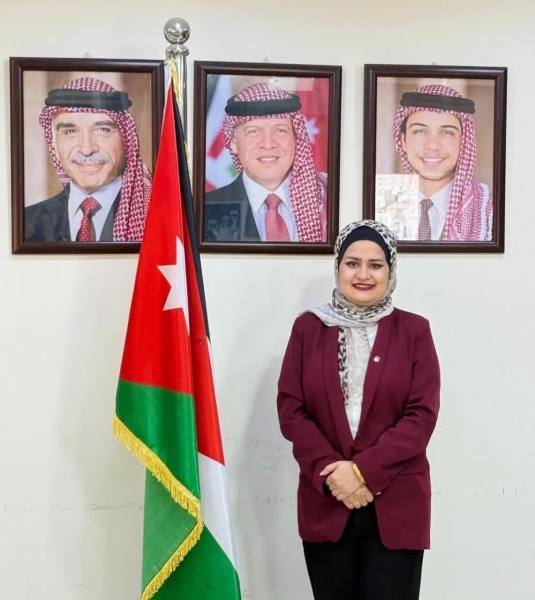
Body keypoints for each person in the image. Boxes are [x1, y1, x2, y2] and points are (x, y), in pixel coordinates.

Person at [277, 219, 440, 600]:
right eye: (352, 263)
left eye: (375, 265)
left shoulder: (414, 331)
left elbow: (421, 417)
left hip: (397, 505)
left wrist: (361, 472)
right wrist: (334, 474)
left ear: (390, 271)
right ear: (338, 267)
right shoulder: (308, 329)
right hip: (327, 499)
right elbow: (291, 410)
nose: (363, 274)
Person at [25, 77, 152, 242]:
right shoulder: (26, 222)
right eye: (70, 132)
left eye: (103, 130)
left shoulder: (157, 215)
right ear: (54, 145)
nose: (86, 149)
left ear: (126, 140)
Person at [205, 82, 327, 243]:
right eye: (254, 131)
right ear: (233, 142)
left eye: (280, 130)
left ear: (297, 138)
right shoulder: (205, 210)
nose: (268, 144)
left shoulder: (327, 199)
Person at [392, 84, 493, 241]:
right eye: (419, 131)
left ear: (464, 142)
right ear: (403, 140)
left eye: (447, 132)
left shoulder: (489, 213)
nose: (433, 145)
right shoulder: (383, 206)